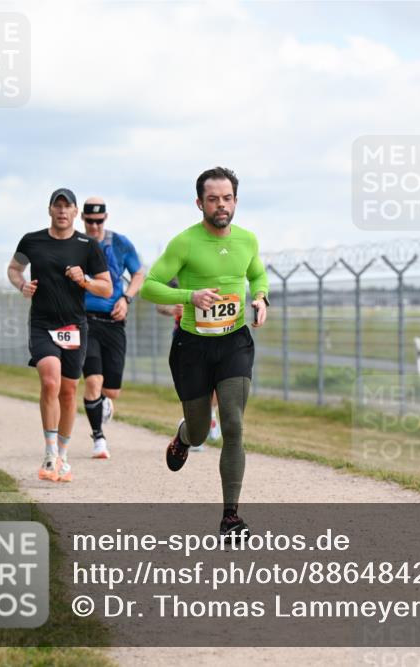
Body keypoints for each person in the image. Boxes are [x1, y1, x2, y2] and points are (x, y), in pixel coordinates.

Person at [141, 167, 268, 537]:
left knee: (233, 423)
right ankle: (183, 437)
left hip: (234, 342)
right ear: (200, 203)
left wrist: (261, 298)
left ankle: (231, 516)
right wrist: (189, 296)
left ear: (236, 201)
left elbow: (257, 275)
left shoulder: (247, 240)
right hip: (192, 346)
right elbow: (150, 287)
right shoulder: (185, 242)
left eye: (227, 198)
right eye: (213, 199)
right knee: (199, 431)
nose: (221, 205)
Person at [8, 188, 113, 482]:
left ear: (76, 212)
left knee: (68, 392)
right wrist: (21, 286)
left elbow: (106, 288)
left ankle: (63, 456)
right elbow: (14, 269)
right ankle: (50, 452)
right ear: (50, 210)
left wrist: (85, 280)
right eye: (58, 206)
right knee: (50, 379)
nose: (62, 211)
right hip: (42, 323)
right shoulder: (32, 240)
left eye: (68, 207)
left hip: (75, 327)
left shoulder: (87, 245)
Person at [80, 197, 146, 460]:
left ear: (105, 218)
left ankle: (102, 405)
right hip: (84, 320)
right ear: (82, 219)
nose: (94, 226)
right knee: (93, 380)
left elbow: (138, 273)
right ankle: (98, 438)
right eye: (89, 221)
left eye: (98, 221)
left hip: (114, 320)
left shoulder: (119, 242)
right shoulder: (76, 244)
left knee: (112, 390)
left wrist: (126, 298)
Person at [156, 278, 221, 450]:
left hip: (215, 332)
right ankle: (196, 431)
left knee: (220, 381)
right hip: (186, 335)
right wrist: (173, 309)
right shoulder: (176, 276)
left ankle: (209, 415)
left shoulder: (215, 270)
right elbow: (159, 304)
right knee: (196, 384)